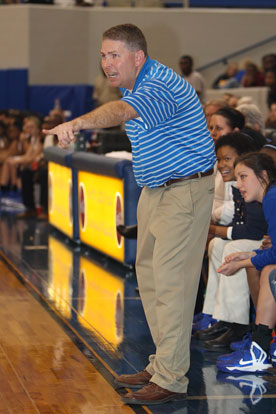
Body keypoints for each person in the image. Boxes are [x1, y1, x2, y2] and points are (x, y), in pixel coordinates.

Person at [43, 23, 216, 405]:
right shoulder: (134, 82)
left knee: (171, 284)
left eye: (114, 55)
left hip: (184, 190)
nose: (107, 63)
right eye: (103, 55)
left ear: (138, 57)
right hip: (158, 188)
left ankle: (172, 377)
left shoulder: (157, 85)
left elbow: (121, 111)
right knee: (151, 278)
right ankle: (162, 363)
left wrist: (77, 122)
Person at [193, 133, 267, 349]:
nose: (221, 164)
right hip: (257, 239)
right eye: (219, 159)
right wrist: (217, 233)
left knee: (233, 247)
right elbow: (239, 222)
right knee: (217, 245)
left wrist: (214, 229)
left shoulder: (253, 185)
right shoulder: (237, 185)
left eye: (227, 158)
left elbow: (253, 230)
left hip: (262, 240)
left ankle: (238, 323)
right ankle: (219, 316)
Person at [216, 152, 276, 373]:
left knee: (270, 271)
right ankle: (262, 346)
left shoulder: (272, 198)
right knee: (267, 267)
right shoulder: (270, 197)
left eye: (243, 177)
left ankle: (260, 349)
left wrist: (242, 263)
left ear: (262, 176)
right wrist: (248, 255)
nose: (238, 184)